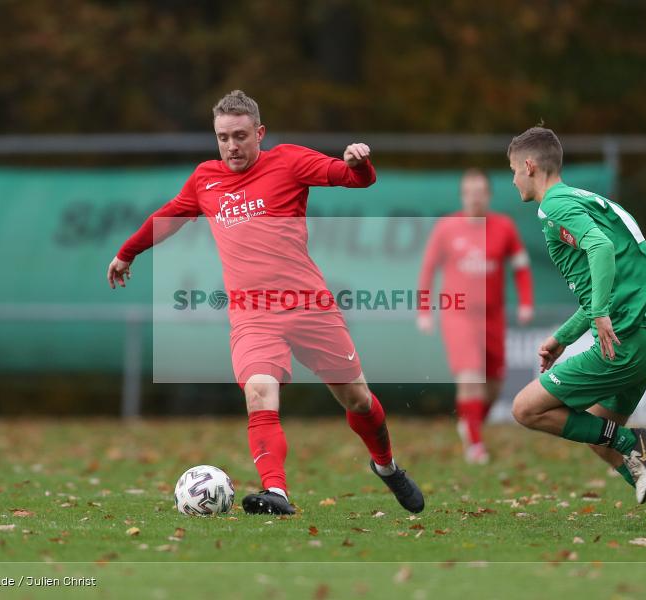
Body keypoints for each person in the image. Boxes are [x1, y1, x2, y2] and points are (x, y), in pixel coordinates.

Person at [106, 90, 424, 515]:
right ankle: (276, 491)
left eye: (240, 136)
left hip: (309, 305)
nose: (232, 146)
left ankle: (386, 466)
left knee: (358, 400)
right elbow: (169, 217)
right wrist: (127, 252)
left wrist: (358, 162)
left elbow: (356, 179)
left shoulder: (289, 161)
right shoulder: (204, 179)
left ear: (259, 133)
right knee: (259, 392)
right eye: (223, 137)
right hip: (253, 314)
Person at [507, 126, 646, 527]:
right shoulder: (579, 198)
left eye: (513, 171)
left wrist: (598, 313)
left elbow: (601, 248)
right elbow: (605, 285)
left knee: (526, 409)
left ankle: (634, 441)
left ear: (529, 166)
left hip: (623, 341)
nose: (513, 181)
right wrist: (564, 337)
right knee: (601, 435)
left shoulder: (555, 205)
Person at [417, 169, 534, 464]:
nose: (475, 198)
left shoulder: (504, 226)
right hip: (457, 314)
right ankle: (476, 446)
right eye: (469, 192)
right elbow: (428, 269)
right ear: (462, 196)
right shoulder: (447, 227)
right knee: (470, 377)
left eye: (480, 192)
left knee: (493, 385)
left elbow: (521, 266)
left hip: (492, 317)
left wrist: (526, 302)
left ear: (489, 195)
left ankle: (470, 424)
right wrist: (424, 310)